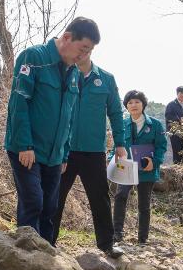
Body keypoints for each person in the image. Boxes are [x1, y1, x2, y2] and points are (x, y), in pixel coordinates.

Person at [4, 17, 99, 243]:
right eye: (83, 49)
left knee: (49, 208)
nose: (84, 56)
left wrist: (64, 153)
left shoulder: (74, 72)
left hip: (54, 155)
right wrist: (25, 145)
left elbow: (69, 116)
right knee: (33, 202)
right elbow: (19, 103)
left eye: (89, 52)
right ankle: (26, 254)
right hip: (27, 149)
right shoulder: (34, 57)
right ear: (67, 37)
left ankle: (47, 256)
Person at [50, 55, 126, 258]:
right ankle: (47, 240)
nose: (81, 53)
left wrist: (120, 143)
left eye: (86, 47)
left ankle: (107, 244)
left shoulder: (106, 79)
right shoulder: (64, 74)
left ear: (91, 49)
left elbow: (116, 113)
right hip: (64, 150)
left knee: (100, 198)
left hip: (93, 150)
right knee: (55, 195)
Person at [113, 90, 167, 246]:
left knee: (144, 204)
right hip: (126, 166)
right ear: (126, 106)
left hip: (146, 169)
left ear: (143, 104)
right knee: (120, 196)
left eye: (137, 101)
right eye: (130, 103)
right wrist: (112, 159)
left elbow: (161, 146)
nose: (133, 105)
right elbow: (117, 146)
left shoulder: (155, 124)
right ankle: (117, 233)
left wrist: (154, 162)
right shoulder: (122, 124)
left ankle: (142, 238)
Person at [164, 86, 183, 163]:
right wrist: (179, 121)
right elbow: (168, 117)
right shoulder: (171, 104)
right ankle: (176, 167)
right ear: (177, 93)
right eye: (181, 93)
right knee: (177, 151)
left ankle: (182, 167)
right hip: (175, 132)